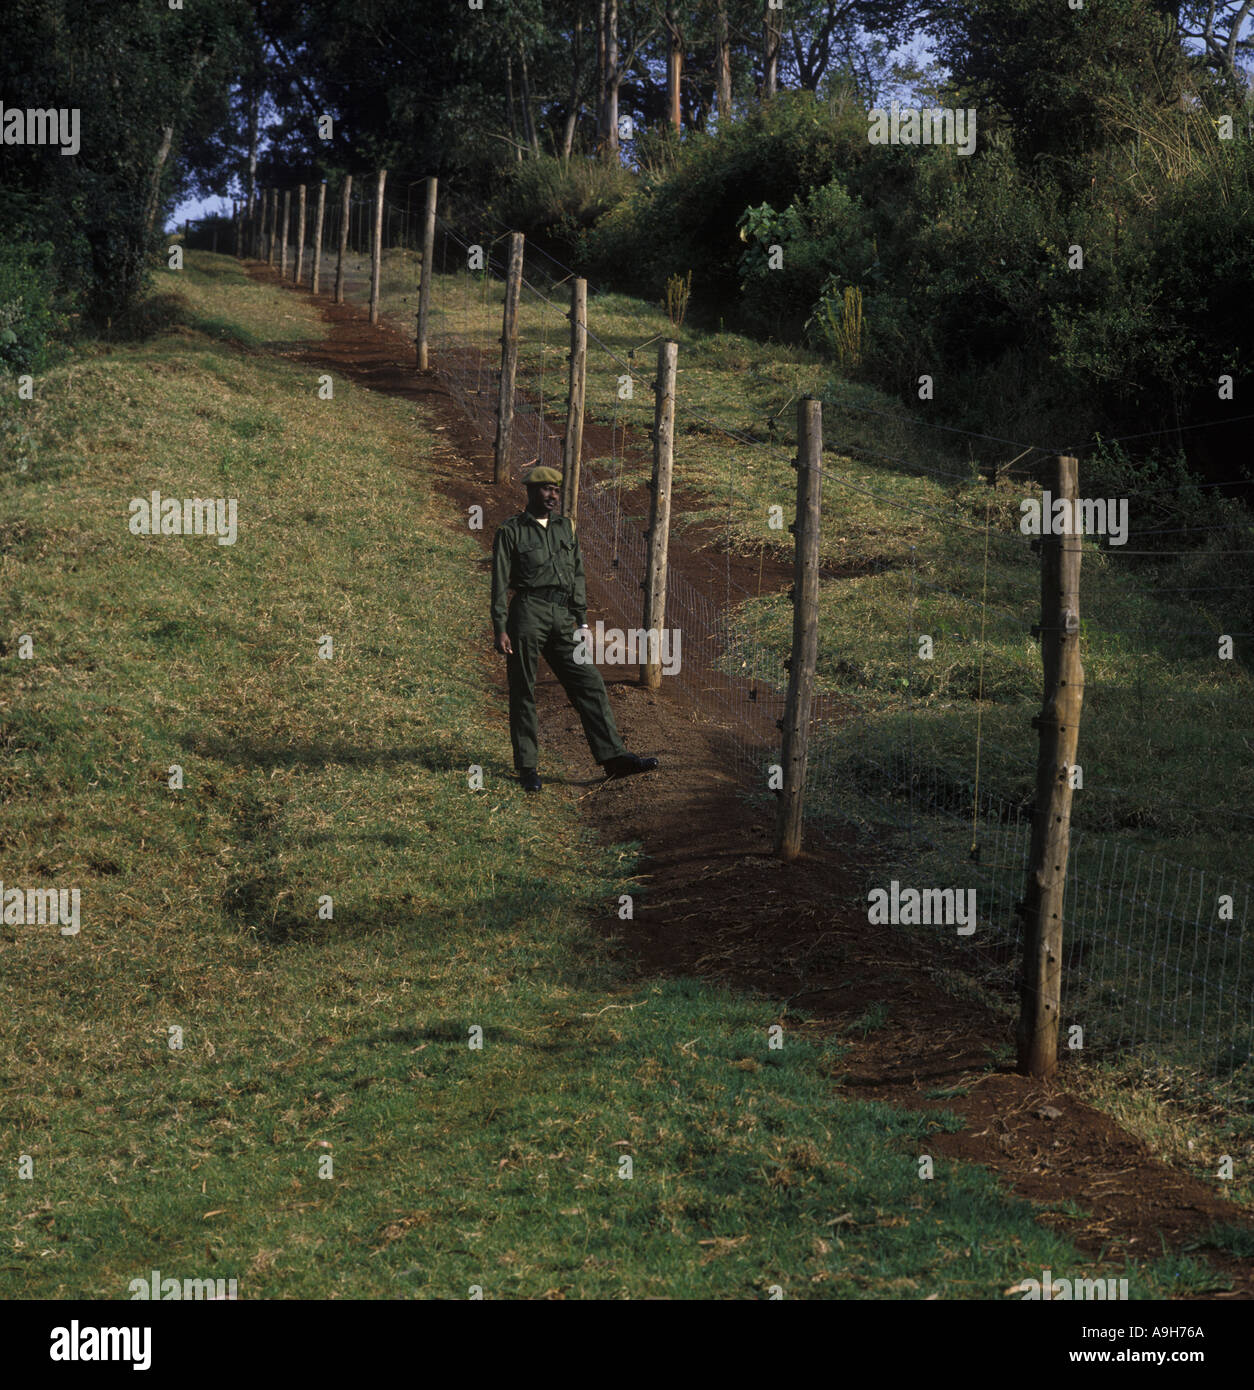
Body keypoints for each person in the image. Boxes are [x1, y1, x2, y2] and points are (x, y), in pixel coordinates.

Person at [491, 464, 659, 792]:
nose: (553, 495)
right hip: (527, 611)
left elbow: (577, 574)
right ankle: (527, 768)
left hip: (562, 615)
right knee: (524, 689)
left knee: (590, 681)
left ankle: (613, 757)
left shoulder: (566, 528)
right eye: (545, 489)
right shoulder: (511, 531)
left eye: (556, 490)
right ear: (530, 491)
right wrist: (500, 626)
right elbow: (499, 583)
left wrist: (580, 619)